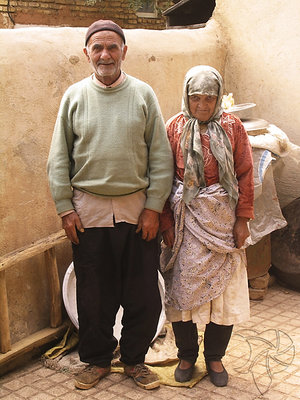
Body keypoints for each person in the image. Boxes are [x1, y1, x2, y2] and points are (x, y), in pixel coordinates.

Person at [47, 19, 173, 391]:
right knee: (93, 293)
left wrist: (153, 208)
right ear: (87, 53)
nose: (105, 54)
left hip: (138, 213)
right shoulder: (73, 97)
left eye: (112, 47)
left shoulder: (143, 94)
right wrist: (65, 208)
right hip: (88, 213)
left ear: (124, 51)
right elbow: (58, 159)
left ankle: (135, 360)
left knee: (143, 293)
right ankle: (97, 361)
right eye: (97, 48)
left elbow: (160, 158)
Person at [160, 65, 254, 387]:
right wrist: (165, 222)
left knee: (224, 293)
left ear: (218, 100)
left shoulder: (233, 128)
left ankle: (214, 356)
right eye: (195, 98)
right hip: (186, 223)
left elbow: (244, 174)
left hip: (223, 225)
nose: (202, 105)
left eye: (209, 99)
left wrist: (242, 220)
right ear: (186, 97)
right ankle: (187, 354)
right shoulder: (174, 128)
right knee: (182, 291)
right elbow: (162, 178)